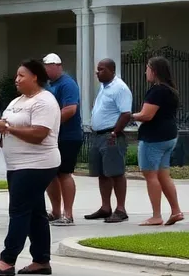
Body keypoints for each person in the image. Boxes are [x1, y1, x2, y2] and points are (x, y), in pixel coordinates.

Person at [0, 59, 61, 276]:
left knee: (19, 211)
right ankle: (41, 260)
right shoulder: (19, 100)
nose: (17, 80)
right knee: (36, 213)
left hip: (36, 164)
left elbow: (39, 134)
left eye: (21, 76)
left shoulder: (44, 101)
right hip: (18, 164)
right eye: (17, 76)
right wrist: (2, 129)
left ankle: (7, 261)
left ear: (35, 76)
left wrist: (7, 128)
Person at [132, 56, 183, 227]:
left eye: (147, 68)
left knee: (150, 175)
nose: (145, 71)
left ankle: (156, 215)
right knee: (163, 175)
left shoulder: (157, 90)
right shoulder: (170, 90)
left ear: (154, 70)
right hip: (169, 136)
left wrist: (129, 116)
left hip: (153, 138)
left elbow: (147, 115)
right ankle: (176, 210)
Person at [85, 58, 132, 223]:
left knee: (116, 173)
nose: (98, 72)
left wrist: (115, 131)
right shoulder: (104, 87)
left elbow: (126, 113)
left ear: (112, 70)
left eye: (102, 69)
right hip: (98, 136)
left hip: (111, 136)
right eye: (97, 69)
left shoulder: (119, 88)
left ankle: (121, 209)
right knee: (103, 173)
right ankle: (106, 207)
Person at [43, 53, 84, 226]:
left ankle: (68, 214)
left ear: (57, 66)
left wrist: (49, 123)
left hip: (68, 136)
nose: (45, 70)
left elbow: (70, 109)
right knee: (51, 174)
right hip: (53, 137)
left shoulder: (68, 84)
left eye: (47, 66)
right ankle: (56, 211)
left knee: (65, 173)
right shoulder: (49, 85)